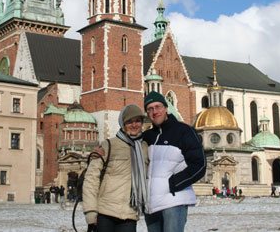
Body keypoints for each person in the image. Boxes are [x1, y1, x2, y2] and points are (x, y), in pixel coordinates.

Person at [143, 91, 206, 232]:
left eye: (158, 107)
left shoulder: (184, 131)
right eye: (150, 109)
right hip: (151, 204)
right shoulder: (147, 136)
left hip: (173, 202)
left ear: (166, 108)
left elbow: (199, 164)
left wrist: (173, 184)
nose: (155, 112)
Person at [83, 104, 149, 232]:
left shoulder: (145, 147)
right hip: (105, 212)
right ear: (122, 124)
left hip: (130, 214)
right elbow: (91, 178)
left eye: (137, 121)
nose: (134, 125)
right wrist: (90, 211)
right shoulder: (108, 145)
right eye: (129, 121)